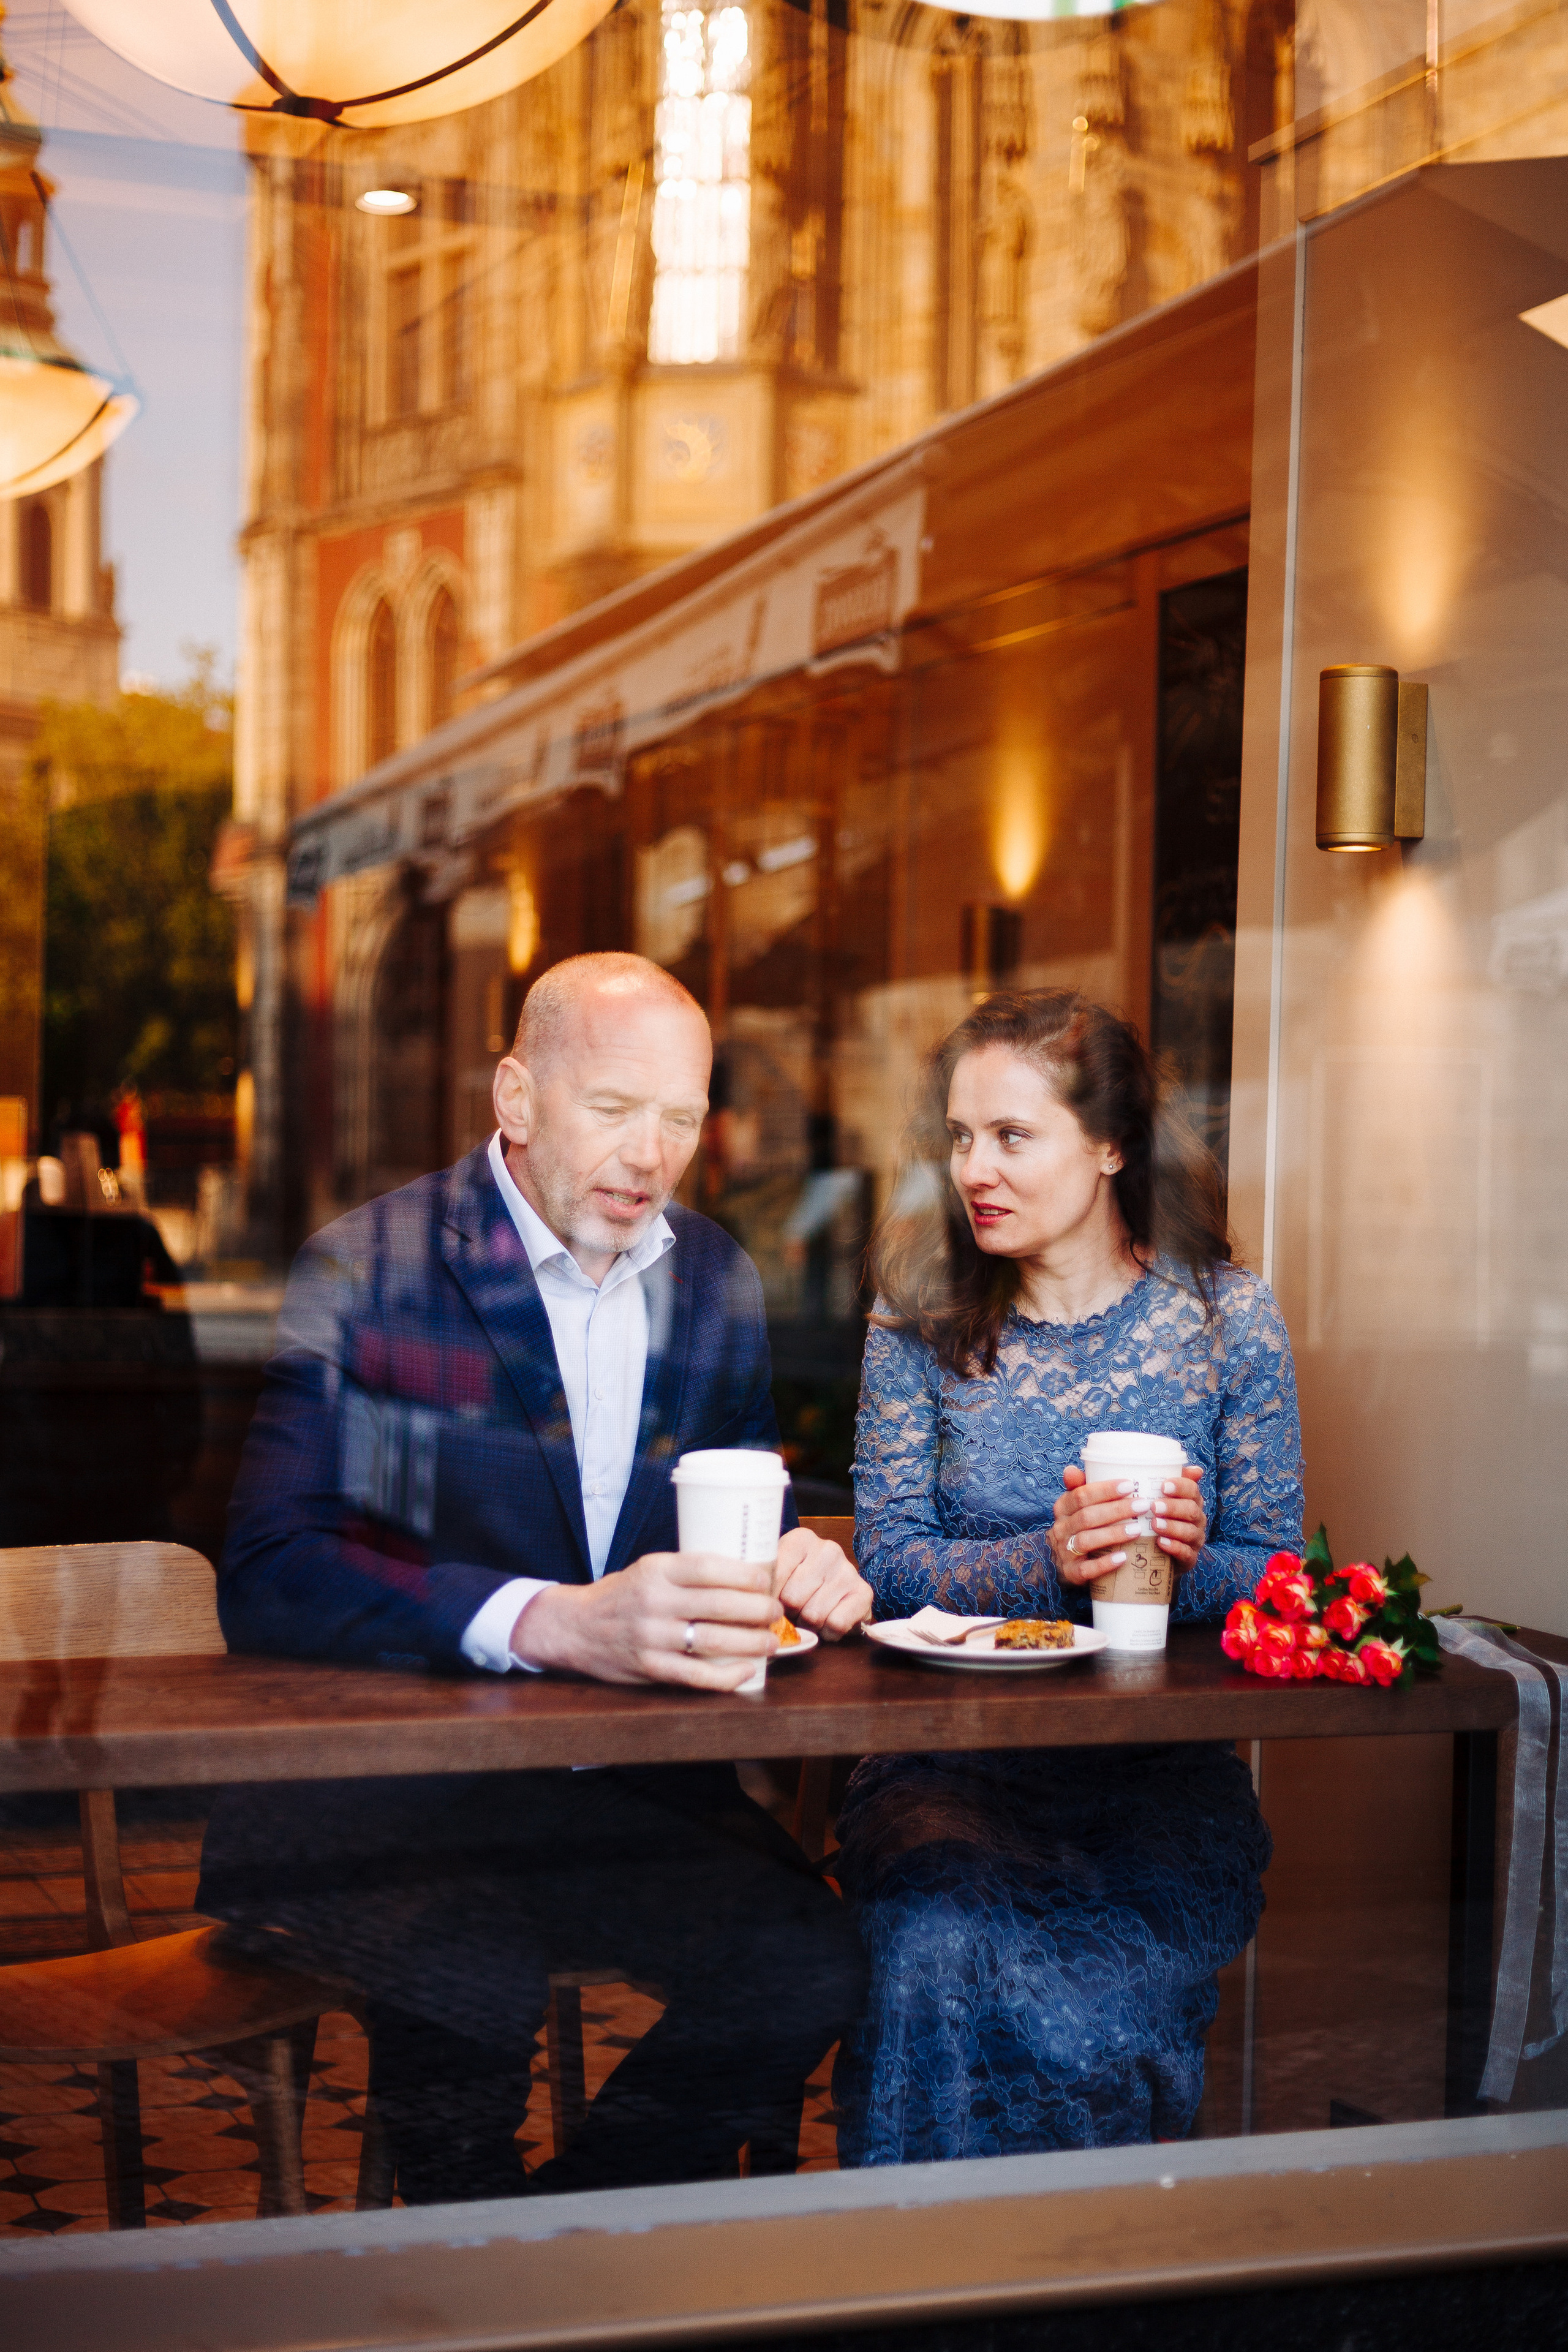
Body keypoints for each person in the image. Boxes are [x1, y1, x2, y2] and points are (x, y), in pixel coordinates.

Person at [198, 952, 872, 2204]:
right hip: (393, 1794)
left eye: (680, 1118)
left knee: (811, 1957)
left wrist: (791, 1567)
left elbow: (725, 1519)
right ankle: (471, 2253)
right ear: (514, 1096)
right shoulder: (371, 1266)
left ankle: (554, 2241)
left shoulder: (713, 1281)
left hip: (612, 1795)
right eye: (613, 1109)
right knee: (470, 1974)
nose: (650, 1153)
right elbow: (275, 1574)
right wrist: (549, 1622)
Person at [834, 987, 1303, 2163]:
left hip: (1158, 1784)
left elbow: (1277, 1572)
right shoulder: (917, 1321)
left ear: (1109, 1145)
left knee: (1090, 1993)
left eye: (1011, 1136)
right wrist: (1052, 1558)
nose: (973, 1169)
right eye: (958, 1137)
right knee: (934, 1945)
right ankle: (907, 2298)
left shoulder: (1224, 1322)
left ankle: (1084, 2296)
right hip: (949, 1770)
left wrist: (1168, 1566)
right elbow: (889, 1566)